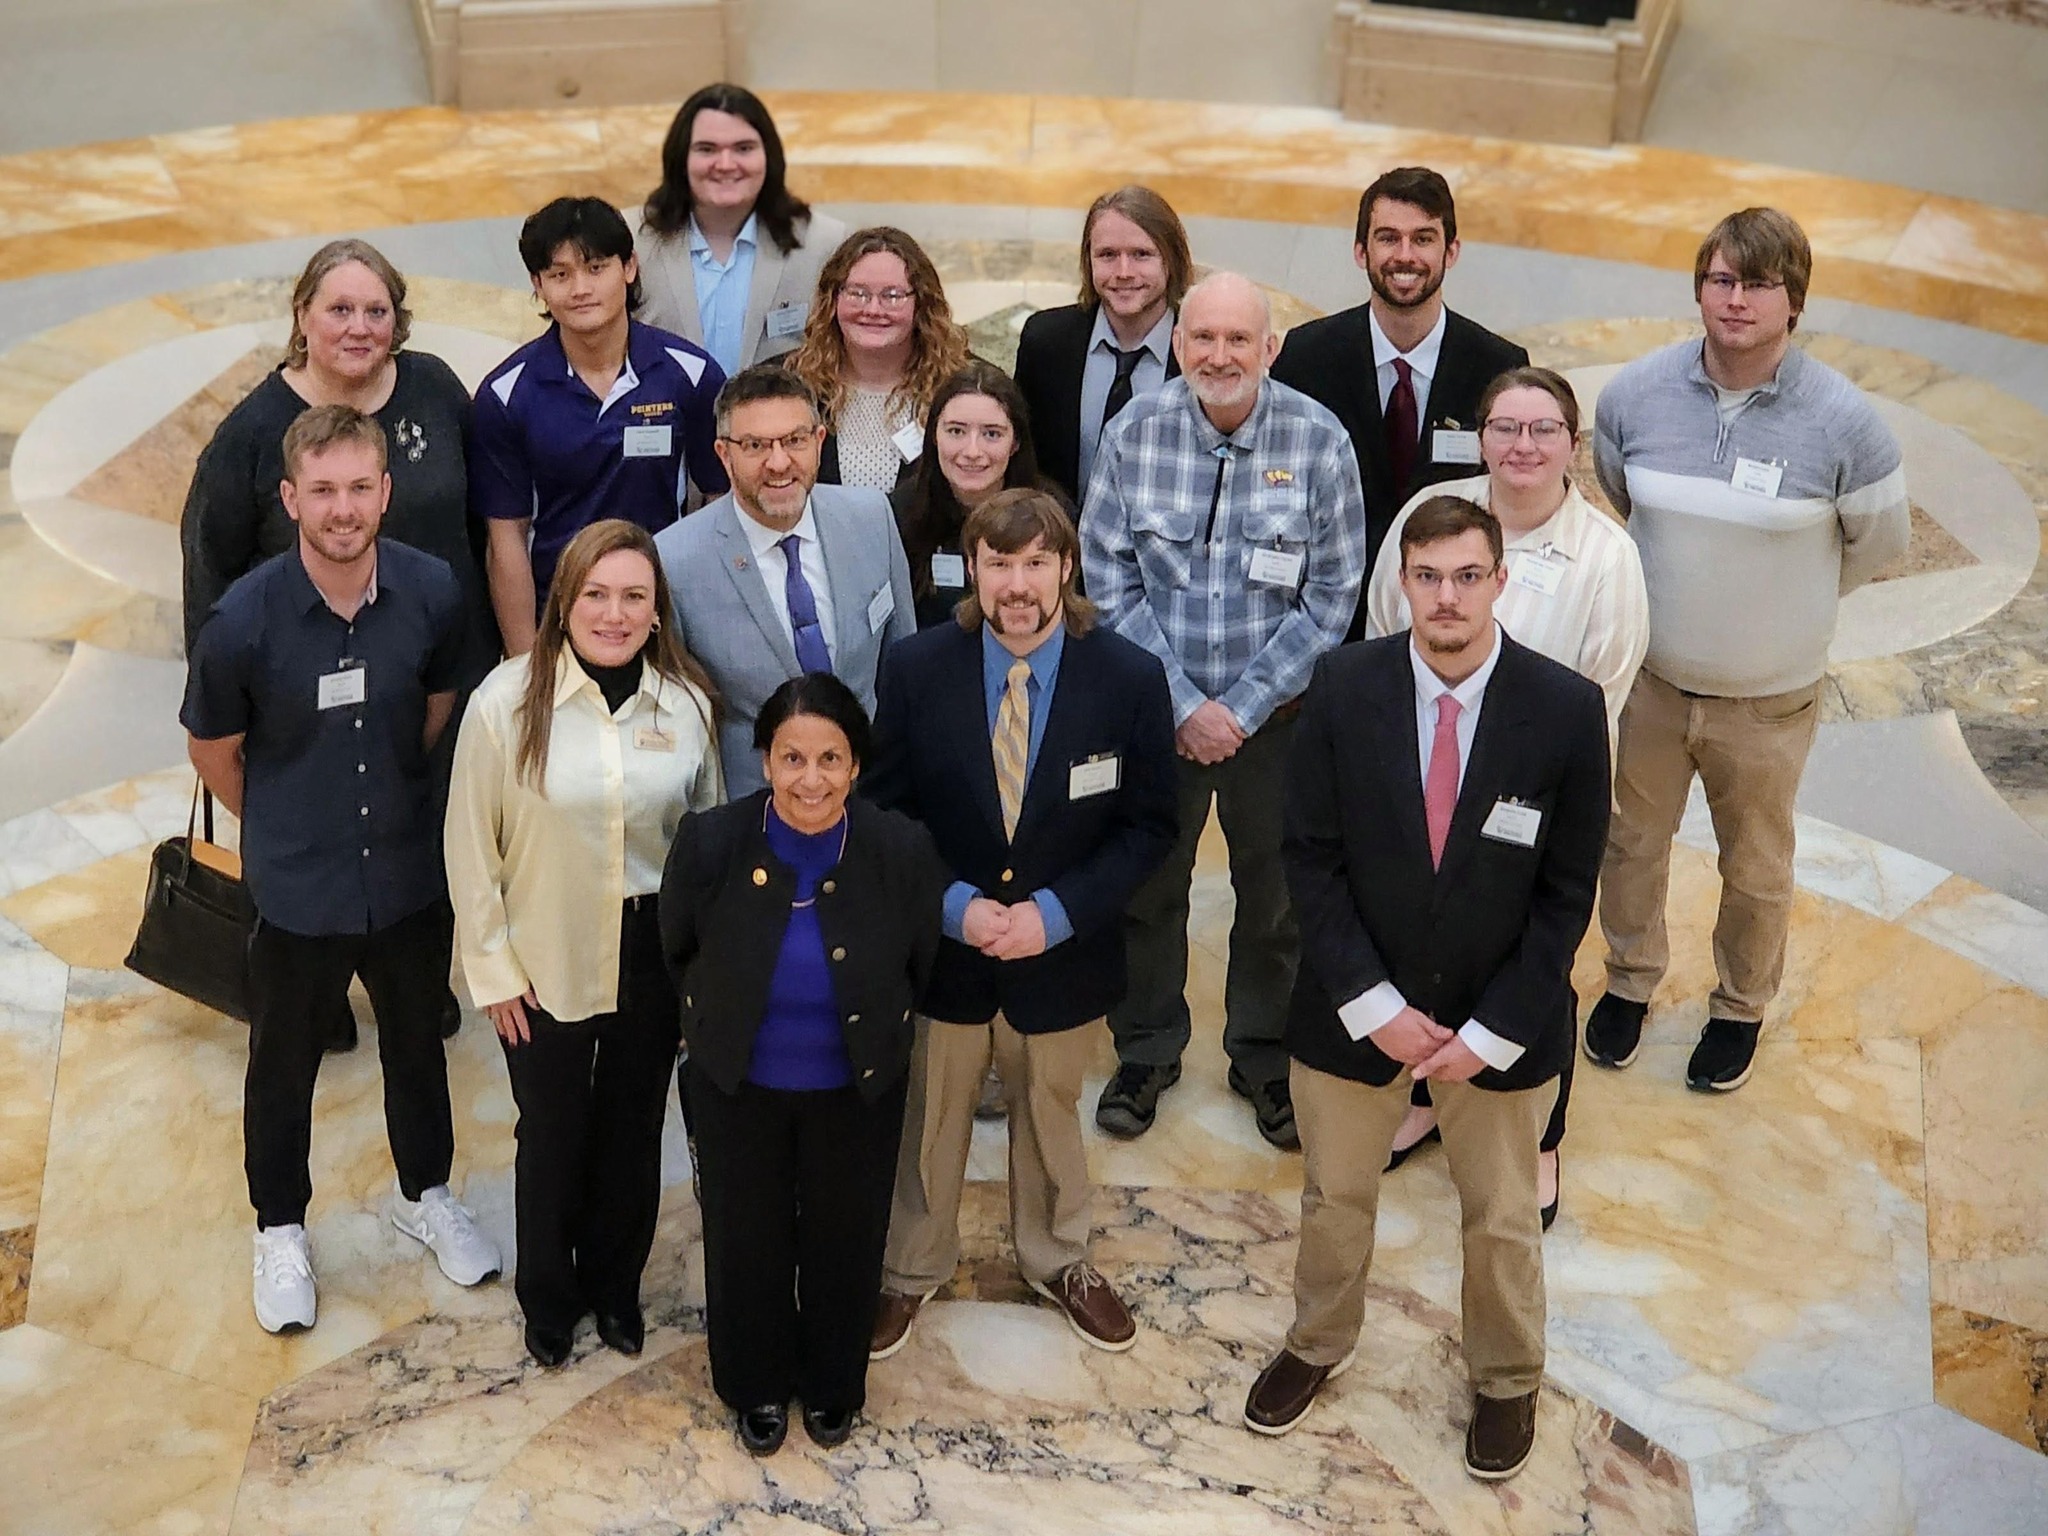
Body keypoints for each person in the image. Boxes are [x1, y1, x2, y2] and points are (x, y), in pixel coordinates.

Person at [1245, 497, 1609, 1483]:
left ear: (1498, 581)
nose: (1445, 597)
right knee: (1333, 1196)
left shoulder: (1565, 711)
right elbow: (1308, 861)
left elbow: (1566, 895)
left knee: (1496, 1217)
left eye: (1464, 576)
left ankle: (1503, 1379)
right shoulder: (1341, 684)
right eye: (1425, 577)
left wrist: (1487, 1034)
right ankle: (1316, 1342)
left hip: (1501, 1023)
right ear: (1398, 584)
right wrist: (1373, 1006)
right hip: (1353, 1009)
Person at [181, 405, 501, 1336]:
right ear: (290, 499)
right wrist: (282, 824)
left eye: (361, 487)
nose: (343, 508)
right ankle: (279, 1226)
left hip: (405, 873)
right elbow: (214, 750)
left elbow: (440, 701)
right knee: (281, 1066)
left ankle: (426, 1192)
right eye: (322, 491)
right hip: (297, 887)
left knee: (416, 1043)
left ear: (386, 493)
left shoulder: (435, 589)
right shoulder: (241, 619)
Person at [1585, 207, 1908, 1094]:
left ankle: (1738, 1007)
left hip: (1769, 701)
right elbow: (1623, 498)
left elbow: (1879, 543)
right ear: (1699, 289)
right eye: (1721, 280)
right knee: (1630, 843)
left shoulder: (1844, 421)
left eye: (1758, 284)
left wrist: (1787, 606)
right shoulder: (1634, 396)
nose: (1736, 300)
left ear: (1792, 302)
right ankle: (1629, 980)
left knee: (1756, 867)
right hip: (1653, 683)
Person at [865, 489, 1178, 1359]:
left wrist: (1056, 913)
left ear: (1067, 568)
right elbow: (885, 817)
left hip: (1062, 956)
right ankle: (911, 1269)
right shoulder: (918, 669)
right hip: (947, 956)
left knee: (1048, 1109)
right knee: (931, 1115)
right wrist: (956, 908)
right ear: (972, 569)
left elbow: (1151, 826)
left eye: (1036, 562)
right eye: (999, 563)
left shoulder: (1127, 677)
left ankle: (1058, 1257)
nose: (1017, 583)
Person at [180, 236, 489, 1052]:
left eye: (376, 310)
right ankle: (313, 991)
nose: (359, 327)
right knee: (310, 834)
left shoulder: (434, 390)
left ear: (399, 320)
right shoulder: (250, 435)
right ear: (303, 319)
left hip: (432, 671)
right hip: (299, 683)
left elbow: (485, 519)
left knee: (427, 824)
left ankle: (411, 982)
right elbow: (209, 567)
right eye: (339, 309)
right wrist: (221, 703)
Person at [1081, 272, 1366, 1149]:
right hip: (1156, 723)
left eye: (1238, 340)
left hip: (1274, 725)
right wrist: (1183, 705)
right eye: (1202, 338)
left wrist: (1238, 709)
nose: (1219, 356)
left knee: (1275, 900)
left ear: (1270, 348)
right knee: (1147, 894)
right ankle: (1147, 1050)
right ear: (1177, 344)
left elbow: (1333, 596)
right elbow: (1106, 577)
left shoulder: (1320, 441)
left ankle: (1263, 1057)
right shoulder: (1134, 433)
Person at [1364, 367, 1648, 1222]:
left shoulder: (1606, 554)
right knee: (1420, 937)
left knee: (1535, 958)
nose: (1523, 447)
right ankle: (1421, 1098)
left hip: (1538, 793)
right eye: (1506, 428)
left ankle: (1543, 1132)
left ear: (1572, 443)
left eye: (1544, 430)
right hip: (1425, 771)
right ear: (1480, 436)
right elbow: (1386, 627)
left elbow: (1605, 683)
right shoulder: (1434, 518)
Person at [444, 519, 723, 1369]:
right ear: (564, 600)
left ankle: (615, 1288)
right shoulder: (503, 703)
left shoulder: (687, 705)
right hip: (542, 947)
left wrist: (696, 973)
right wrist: (491, 972)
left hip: (650, 950)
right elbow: (469, 845)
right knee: (554, 1129)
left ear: (656, 608)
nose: (613, 613)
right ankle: (550, 1300)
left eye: (633, 596)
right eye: (595, 594)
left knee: (635, 1131)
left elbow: (704, 843)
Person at [661, 673, 945, 1456]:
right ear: (763, 761)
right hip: (738, 1088)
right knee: (744, 1239)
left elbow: (921, 961)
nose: (810, 779)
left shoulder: (899, 848)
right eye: (792, 758)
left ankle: (831, 1384)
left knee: (844, 1239)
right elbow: (677, 947)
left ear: (856, 767)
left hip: (854, 1088)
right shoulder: (712, 843)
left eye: (829, 758)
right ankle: (753, 1386)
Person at [473, 196, 727, 656]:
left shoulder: (692, 375)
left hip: (663, 621)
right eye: (559, 274)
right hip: (558, 622)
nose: (579, 289)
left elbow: (718, 506)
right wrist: (525, 664)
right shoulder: (505, 394)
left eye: (595, 268)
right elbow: (505, 540)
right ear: (538, 285)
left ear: (628, 268)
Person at [1271, 166, 1528, 621]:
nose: (1405, 255)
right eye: (1388, 238)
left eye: (1423, 239)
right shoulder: (1304, 359)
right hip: (1327, 618)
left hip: (1446, 615)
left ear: (1451, 252)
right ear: (1360, 251)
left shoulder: (1499, 368)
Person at [656, 364, 915, 797]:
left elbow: (902, 664)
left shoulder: (872, 518)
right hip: (751, 811)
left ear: (818, 442)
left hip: (870, 800)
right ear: (724, 454)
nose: (779, 463)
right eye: (756, 445)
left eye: (794, 441)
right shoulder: (676, 559)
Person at [634, 82, 849, 378]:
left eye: (743, 148)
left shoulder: (825, 244)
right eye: (707, 149)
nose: (725, 164)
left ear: (768, 157)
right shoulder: (631, 241)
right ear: (680, 159)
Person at [1013, 186, 1190, 506]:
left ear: (1172, 260)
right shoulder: (1046, 342)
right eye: (1107, 255)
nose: (1124, 272)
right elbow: (1024, 457)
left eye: (1141, 254)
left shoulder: (1201, 351)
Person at [786, 226, 970, 491]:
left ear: (922, 303)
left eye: (892, 296)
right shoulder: (791, 383)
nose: (873, 310)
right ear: (833, 298)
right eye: (857, 293)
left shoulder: (962, 386)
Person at [891, 360, 1064, 631]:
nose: (972, 451)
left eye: (991, 434)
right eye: (956, 431)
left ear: (1015, 442)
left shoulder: (1054, 516)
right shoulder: (899, 514)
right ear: (934, 435)